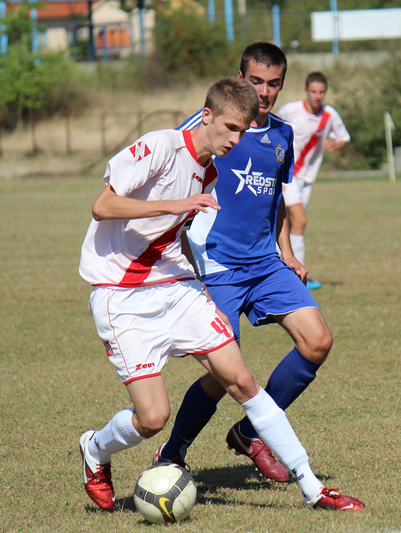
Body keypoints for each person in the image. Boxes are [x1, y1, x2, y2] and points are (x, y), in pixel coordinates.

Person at [77, 77, 363, 512]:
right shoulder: (160, 146)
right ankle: (96, 450)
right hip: (121, 296)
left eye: (243, 131)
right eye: (229, 127)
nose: (235, 139)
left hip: (176, 286)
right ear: (206, 115)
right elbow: (103, 206)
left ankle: (312, 486)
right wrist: (175, 204)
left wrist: (195, 270)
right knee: (153, 418)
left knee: (241, 380)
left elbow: (177, 232)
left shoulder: (209, 170)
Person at [154, 44, 355, 507]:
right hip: (217, 265)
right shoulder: (205, 127)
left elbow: (276, 200)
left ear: (282, 84)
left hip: (265, 261)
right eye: (255, 81)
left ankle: (249, 431)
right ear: (239, 77)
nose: (263, 92)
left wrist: (287, 252)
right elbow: (170, 185)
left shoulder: (283, 135)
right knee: (227, 372)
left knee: (317, 341)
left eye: (273, 83)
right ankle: (174, 451)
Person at [277, 71, 350, 290]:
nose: (317, 96)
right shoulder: (291, 110)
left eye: (321, 92)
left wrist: (335, 144)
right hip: (288, 174)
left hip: (307, 179)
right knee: (299, 221)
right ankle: (298, 277)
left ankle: (284, 271)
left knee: (288, 224)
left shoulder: (329, 115)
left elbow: (344, 137)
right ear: (306, 91)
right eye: (313, 91)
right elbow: (271, 126)